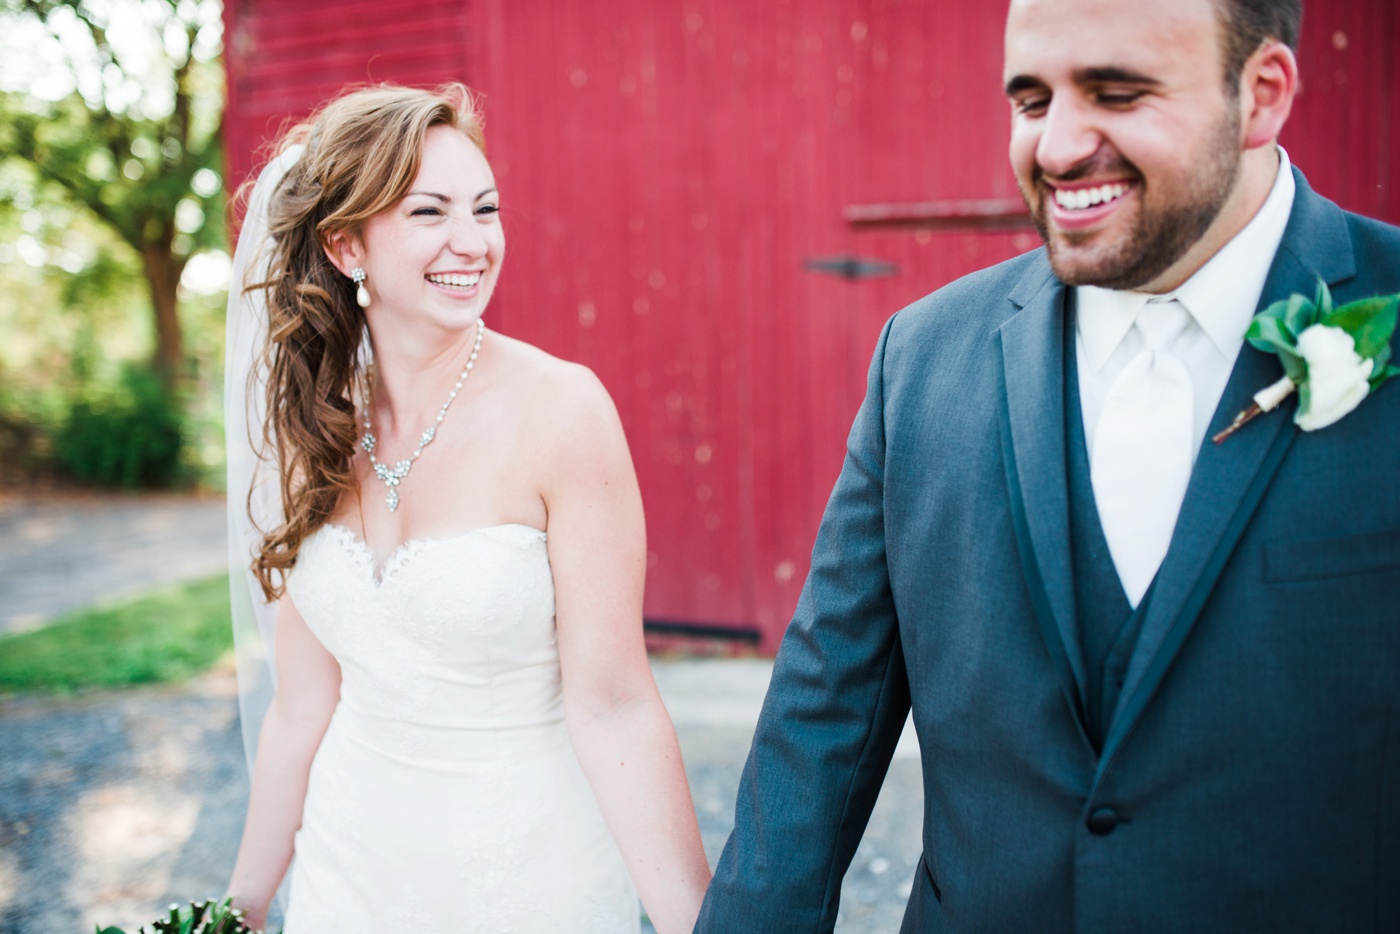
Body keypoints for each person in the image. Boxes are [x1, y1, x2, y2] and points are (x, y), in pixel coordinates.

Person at [696, 0, 1400, 930]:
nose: (1059, 149)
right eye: (1031, 100)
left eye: (1116, 93)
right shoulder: (925, 354)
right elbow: (825, 708)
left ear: (1261, 94)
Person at [222, 84, 711, 932]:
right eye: (430, 212)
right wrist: (243, 904)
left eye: (484, 208)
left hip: (527, 874)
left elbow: (616, 703)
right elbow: (302, 707)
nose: (472, 242)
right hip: (349, 877)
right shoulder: (315, 422)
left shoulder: (563, 410)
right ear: (346, 246)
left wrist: (697, 922)